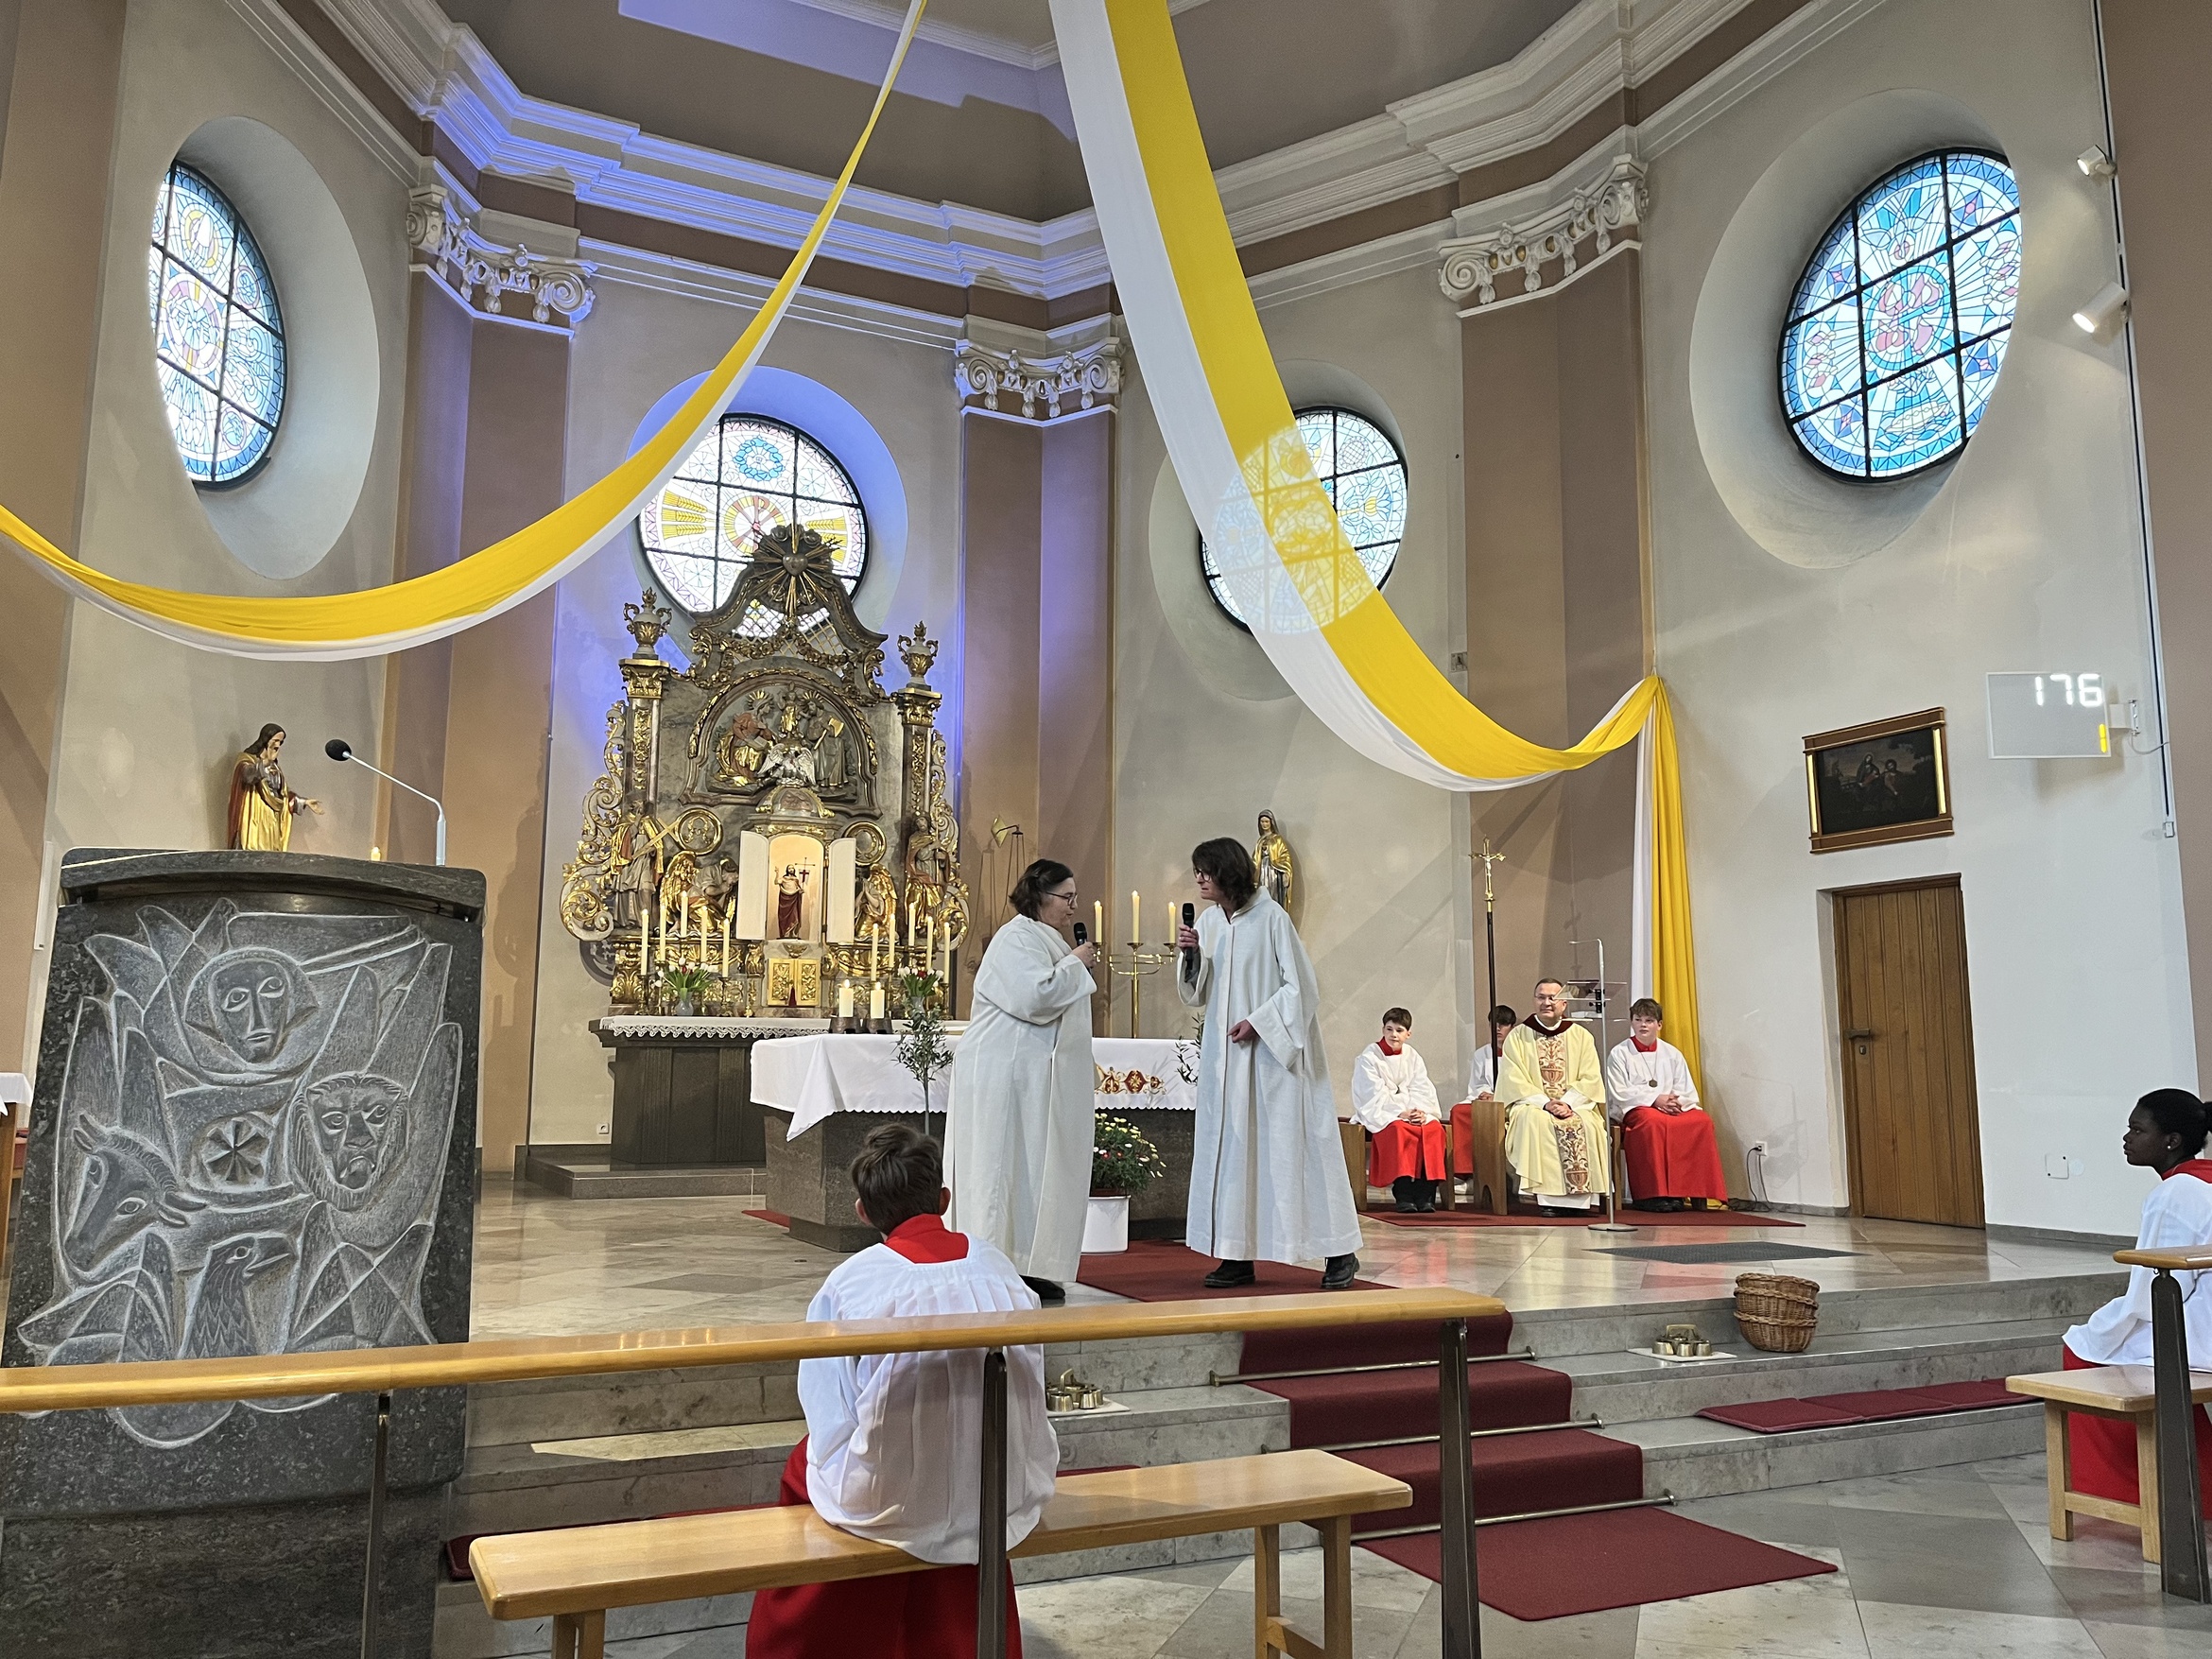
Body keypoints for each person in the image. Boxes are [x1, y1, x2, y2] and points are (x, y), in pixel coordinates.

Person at [746, 1123, 1059, 1659]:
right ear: (943, 1198)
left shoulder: (854, 1281)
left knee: (807, 1464)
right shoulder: (999, 1267)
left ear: (863, 1212)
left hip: (890, 1499)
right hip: (1002, 1487)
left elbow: (830, 1412)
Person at [1176, 836, 1362, 1289]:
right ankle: (1235, 1256)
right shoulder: (1210, 922)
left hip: (1275, 1063)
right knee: (1234, 1154)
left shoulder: (1271, 917)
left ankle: (1340, 1252)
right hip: (1228, 1064)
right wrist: (1192, 954)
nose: (1199, 878)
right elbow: (1197, 994)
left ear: (1228, 872)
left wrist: (1259, 1023)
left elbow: (1303, 988)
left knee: (1299, 1152)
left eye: (1206, 870)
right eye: (1196, 870)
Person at [944, 859, 1099, 1304]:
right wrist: (1075, 963)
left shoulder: (1041, 938)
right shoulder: (1015, 938)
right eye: (1066, 897)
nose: (1073, 906)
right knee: (1001, 1170)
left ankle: (1030, 1264)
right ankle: (994, 1263)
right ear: (1039, 895)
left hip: (1029, 1079)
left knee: (1032, 1171)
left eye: (1074, 897)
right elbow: (1034, 997)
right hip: (1004, 1076)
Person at [2058, 1089, 2212, 1518]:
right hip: (2202, 1319)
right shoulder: (2205, 1180)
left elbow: (2154, 1293)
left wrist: (2101, 1325)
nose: (2126, 1138)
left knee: (2082, 1350)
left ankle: (2130, 1494)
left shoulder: (2176, 1194)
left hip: (2201, 1336)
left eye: (2137, 1129)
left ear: (2172, 1141)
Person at [1497, 978, 1612, 1214]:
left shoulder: (1581, 1036)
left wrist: (1568, 1103)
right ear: (1534, 1000)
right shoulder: (1518, 1036)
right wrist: (1547, 1103)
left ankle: (1581, 1201)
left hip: (1575, 1105)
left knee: (1589, 1124)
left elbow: (1591, 1077)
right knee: (1537, 1122)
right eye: (1541, 997)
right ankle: (1549, 1200)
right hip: (1533, 1105)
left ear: (1564, 1003)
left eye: (1552, 998)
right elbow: (1513, 1080)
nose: (1546, 1002)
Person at [1604, 998, 1726, 1211]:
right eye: (1638, 1019)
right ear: (1631, 1023)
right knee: (1652, 1123)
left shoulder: (1672, 1053)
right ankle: (1650, 1196)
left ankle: (1683, 1193)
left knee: (1701, 1121)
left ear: (1659, 1025)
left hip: (1669, 1108)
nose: (1643, 1025)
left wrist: (1673, 1102)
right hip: (1635, 1108)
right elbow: (1620, 1091)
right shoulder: (1620, 1053)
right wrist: (1655, 1099)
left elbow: (1684, 1086)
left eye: (1649, 1020)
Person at [1350, 1007, 1444, 1211]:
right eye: (1389, 1029)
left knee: (1434, 1130)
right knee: (1398, 1131)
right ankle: (1403, 1195)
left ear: (1408, 1034)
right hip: (1384, 1112)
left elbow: (1422, 1087)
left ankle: (1426, 1195)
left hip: (1412, 1112)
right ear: (1383, 1030)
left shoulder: (1413, 1056)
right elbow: (1373, 1094)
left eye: (1399, 1030)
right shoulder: (1370, 1057)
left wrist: (1421, 1112)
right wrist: (1401, 1112)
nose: (1394, 1035)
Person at [1448, 1005, 1517, 1188]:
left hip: (1510, 1101)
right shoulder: (1482, 1054)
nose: (1497, 1028)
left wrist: (1498, 1095)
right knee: (1459, 1112)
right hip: (1486, 1102)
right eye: (1493, 1024)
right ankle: (1465, 1173)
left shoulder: (1519, 1053)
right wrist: (1484, 1094)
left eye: (1502, 1024)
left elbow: (1520, 1082)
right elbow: (1477, 1084)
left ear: (1512, 1027)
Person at [226, 724, 321, 852]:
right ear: (266, 739)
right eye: (275, 740)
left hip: (272, 816)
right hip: (255, 813)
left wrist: (304, 802)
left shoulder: (275, 767)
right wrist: (266, 762)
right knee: (255, 849)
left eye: (281, 742)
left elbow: (283, 795)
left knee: (270, 851)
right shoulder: (247, 759)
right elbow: (248, 776)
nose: (278, 745)